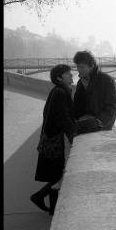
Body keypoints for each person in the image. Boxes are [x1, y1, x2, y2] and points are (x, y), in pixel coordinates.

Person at [30, 64, 76, 215]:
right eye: (68, 74)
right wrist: (73, 136)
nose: (72, 76)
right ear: (59, 78)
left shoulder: (57, 91)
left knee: (56, 174)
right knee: (57, 175)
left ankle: (53, 209)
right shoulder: (61, 93)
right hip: (55, 141)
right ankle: (38, 196)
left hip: (51, 138)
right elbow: (63, 118)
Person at [72, 50, 116, 130]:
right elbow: (77, 105)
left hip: (100, 126)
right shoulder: (81, 82)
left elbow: (113, 106)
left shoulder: (107, 81)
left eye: (82, 67)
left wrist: (98, 122)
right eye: (77, 67)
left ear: (92, 66)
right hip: (86, 124)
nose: (78, 70)